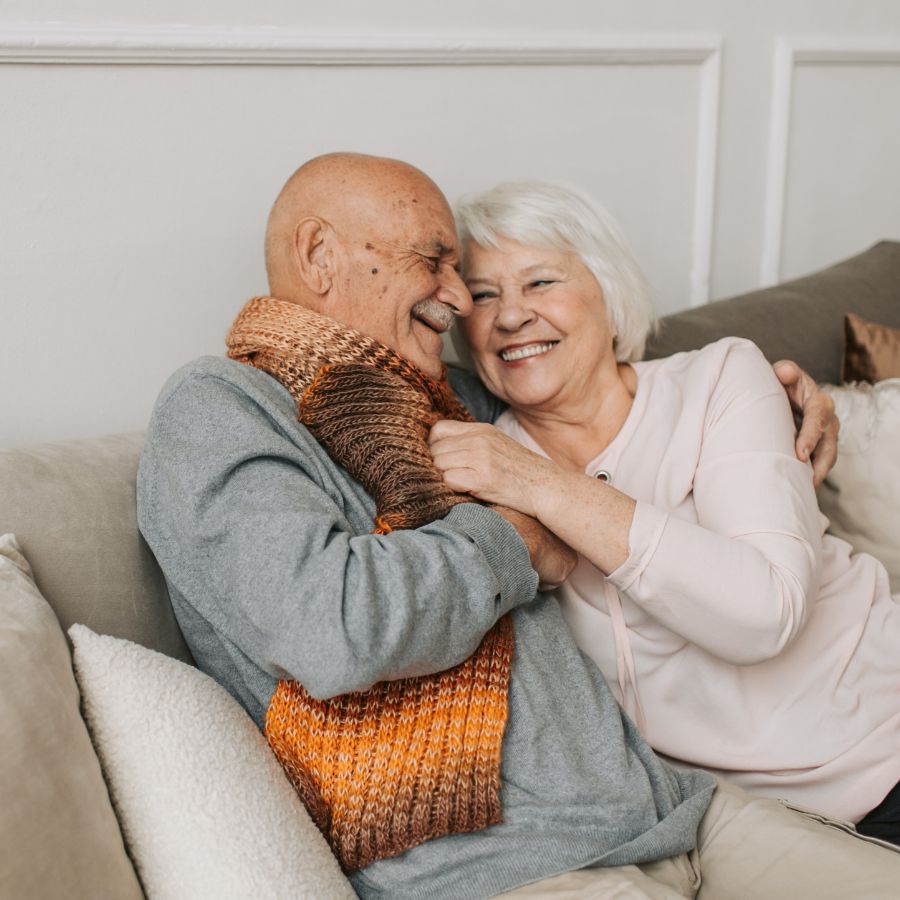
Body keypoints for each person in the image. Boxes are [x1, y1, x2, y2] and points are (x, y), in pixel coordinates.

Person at [137, 153, 898, 900]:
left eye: (464, 273)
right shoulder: (223, 406)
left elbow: (598, 375)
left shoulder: (455, 400)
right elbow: (331, 626)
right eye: (441, 265)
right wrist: (521, 543)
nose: (464, 304)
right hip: (525, 862)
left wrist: (795, 399)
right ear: (318, 254)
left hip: (681, 813)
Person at [430, 178, 900, 847]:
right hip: (740, 828)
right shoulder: (480, 458)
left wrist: (542, 485)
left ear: (609, 295)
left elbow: (766, 614)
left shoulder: (720, 380)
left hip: (884, 739)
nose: (510, 316)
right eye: (482, 294)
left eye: (540, 283)